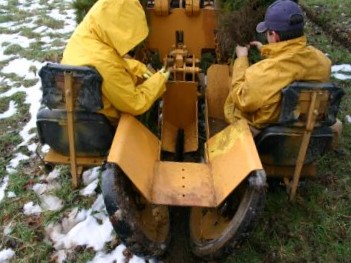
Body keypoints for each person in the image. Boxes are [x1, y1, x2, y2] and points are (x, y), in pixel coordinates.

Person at [224, 0, 336, 136]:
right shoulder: (324, 61)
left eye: (267, 32)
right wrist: (267, 51)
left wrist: (241, 58)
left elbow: (242, 100)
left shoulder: (263, 72)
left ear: (274, 35)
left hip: (267, 133)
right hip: (306, 122)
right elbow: (289, 66)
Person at [61, 0, 170, 125]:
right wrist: (159, 80)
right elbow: (135, 104)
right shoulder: (106, 64)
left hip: (75, 110)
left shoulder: (86, 36)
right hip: (99, 125)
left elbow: (108, 61)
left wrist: (139, 69)